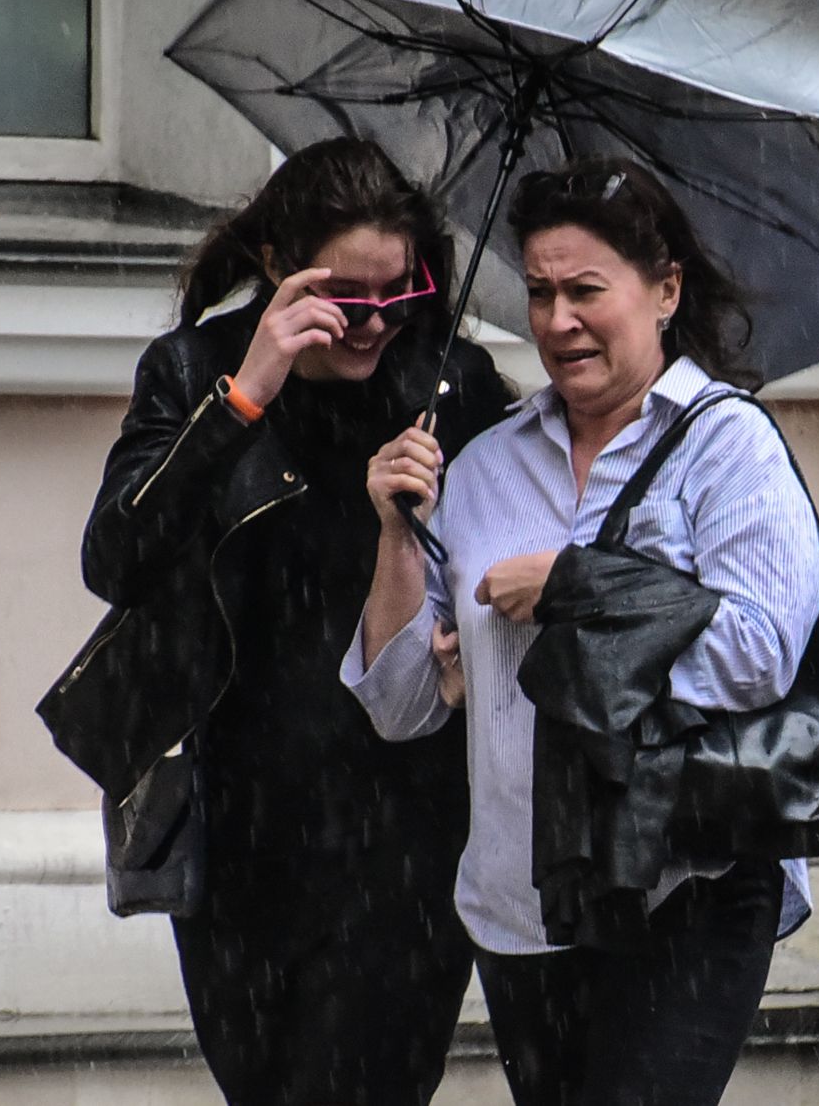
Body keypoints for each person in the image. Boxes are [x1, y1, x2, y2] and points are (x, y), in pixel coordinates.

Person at [347, 157, 819, 1106]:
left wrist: (571, 589)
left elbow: (759, 652)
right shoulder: (482, 467)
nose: (557, 320)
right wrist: (397, 531)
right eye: (537, 292)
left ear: (664, 290)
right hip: (524, 897)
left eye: (585, 291)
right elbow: (401, 707)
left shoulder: (728, 444)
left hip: (685, 878)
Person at [78, 138, 512, 1106]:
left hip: (406, 824)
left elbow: (510, 567)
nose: (370, 325)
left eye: (395, 295)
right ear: (276, 262)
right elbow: (115, 557)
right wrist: (245, 396)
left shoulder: (452, 386)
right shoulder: (196, 370)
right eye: (344, 299)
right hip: (242, 823)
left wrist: (463, 627)